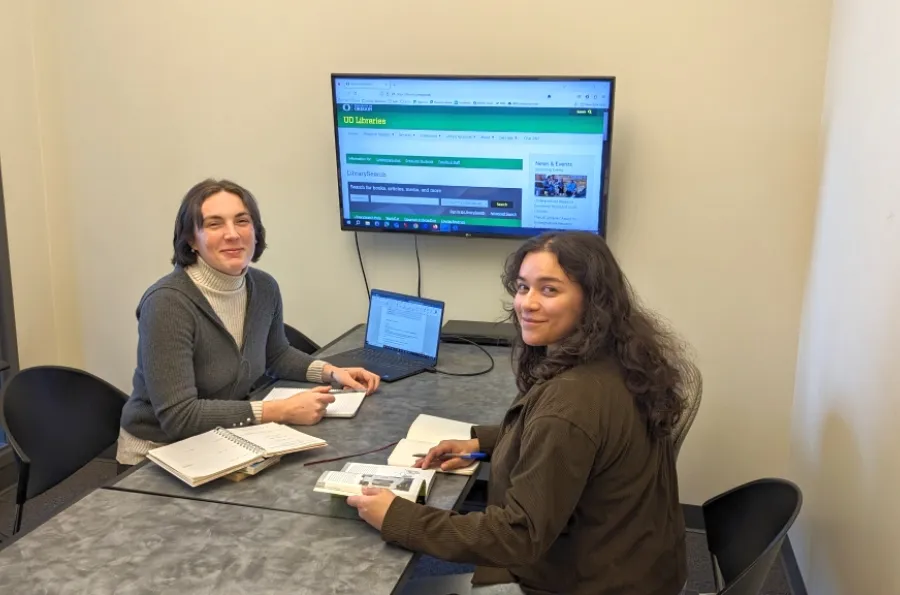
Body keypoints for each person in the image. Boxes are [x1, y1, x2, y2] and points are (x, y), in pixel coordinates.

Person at [347, 231, 688, 594]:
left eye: (549, 290)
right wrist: (480, 442)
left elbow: (517, 536)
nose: (527, 303)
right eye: (523, 287)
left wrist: (400, 518)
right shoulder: (618, 361)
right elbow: (577, 445)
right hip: (640, 567)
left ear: (593, 302)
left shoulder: (571, 404)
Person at [117, 179, 380, 465]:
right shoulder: (167, 303)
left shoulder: (264, 287)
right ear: (191, 239)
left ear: (256, 232)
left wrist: (332, 373)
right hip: (156, 456)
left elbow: (276, 354)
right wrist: (279, 410)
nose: (232, 234)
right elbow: (180, 416)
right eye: (214, 224)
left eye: (242, 221)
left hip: (223, 441)